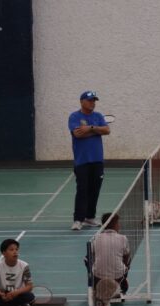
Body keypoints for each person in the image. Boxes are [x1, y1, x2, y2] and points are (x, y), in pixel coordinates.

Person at [68, 91, 110, 231]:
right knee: (82, 190)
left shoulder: (98, 116)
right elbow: (77, 134)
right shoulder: (74, 116)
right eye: (90, 100)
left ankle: (90, 217)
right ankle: (78, 219)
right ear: (82, 101)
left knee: (95, 189)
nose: (93, 103)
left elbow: (107, 130)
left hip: (97, 160)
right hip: (82, 161)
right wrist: (96, 131)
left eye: (94, 101)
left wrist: (90, 128)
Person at [92, 213, 131, 299]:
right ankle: (121, 283)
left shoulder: (95, 238)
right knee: (128, 257)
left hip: (98, 275)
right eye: (118, 223)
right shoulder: (123, 238)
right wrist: (123, 269)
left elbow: (92, 256)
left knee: (88, 259)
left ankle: (94, 285)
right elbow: (126, 258)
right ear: (115, 224)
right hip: (117, 276)